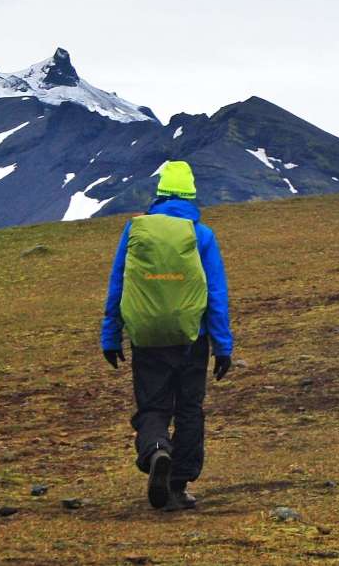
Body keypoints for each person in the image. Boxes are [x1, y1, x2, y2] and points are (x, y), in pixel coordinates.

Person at [101, 160, 233, 511]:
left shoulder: (135, 230)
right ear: (191, 194)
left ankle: (157, 448)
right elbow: (215, 294)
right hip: (193, 336)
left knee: (153, 405)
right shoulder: (201, 235)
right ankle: (178, 483)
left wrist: (110, 336)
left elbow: (119, 284)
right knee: (189, 408)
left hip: (146, 336)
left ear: (158, 194)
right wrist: (223, 346)